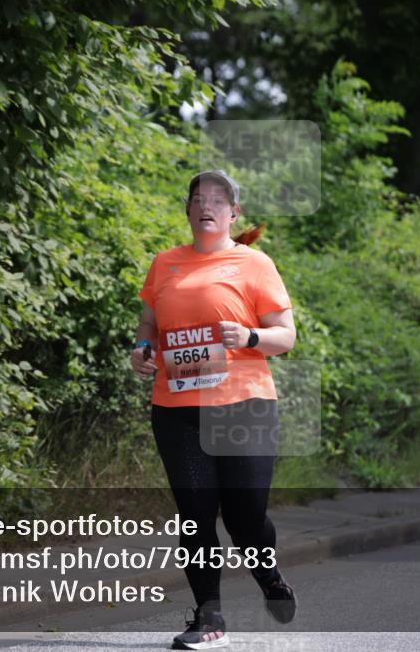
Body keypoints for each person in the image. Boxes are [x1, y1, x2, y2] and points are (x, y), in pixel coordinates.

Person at [131, 170, 298, 650]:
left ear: (233, 213)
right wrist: (142, 349)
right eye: (198, 199)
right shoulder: (165, 264)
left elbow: (285, 336)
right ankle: (209, 619)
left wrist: (248, 336)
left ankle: (267, 574)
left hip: (244, 405)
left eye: (218, 201)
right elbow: (149, 323)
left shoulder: (254, 264)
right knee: (196, 515)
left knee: (245, 517)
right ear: (187, 210)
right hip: (177, 408)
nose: (207, 207)